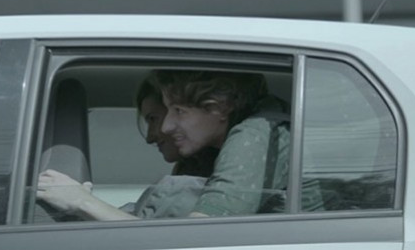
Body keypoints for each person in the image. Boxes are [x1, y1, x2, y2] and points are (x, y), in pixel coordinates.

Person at [37, 76, 216, 220]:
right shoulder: (188, 177)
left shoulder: (217, 191)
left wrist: (82, 201)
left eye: (153, 119)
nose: (150, 137)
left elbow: (163, 240)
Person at [154, 70, 322, 216]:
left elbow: (206, 231)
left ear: (220, 107)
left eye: (179, 111)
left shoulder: (253, 137)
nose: (166, 127)